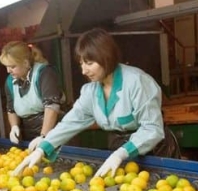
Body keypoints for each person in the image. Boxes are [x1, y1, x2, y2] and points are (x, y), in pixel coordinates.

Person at [12, 28, 179, 177]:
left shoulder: (137, 82)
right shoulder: (91, 91)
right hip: (122, 153)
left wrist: (121, 153)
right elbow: (71, 122)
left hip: (156, 152)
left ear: (106, 58)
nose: (84, 70)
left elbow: (152, 129)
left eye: (89, 63)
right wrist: (44, 147)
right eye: (81, 63)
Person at [0, 41, 64, 151]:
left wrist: (44, 136)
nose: (8, 71)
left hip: (56, 134)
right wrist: (14, 126)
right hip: (29, 136)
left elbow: (52, 107)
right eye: (7, 66)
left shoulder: (44, 73)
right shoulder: (10, 81)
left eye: (12, 66)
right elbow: (11, 109)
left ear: (25, 63)